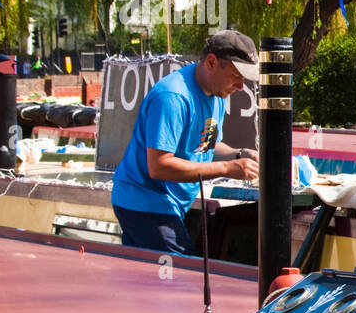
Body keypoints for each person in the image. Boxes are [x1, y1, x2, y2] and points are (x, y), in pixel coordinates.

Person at [111, 31, 261, 255]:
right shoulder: (173, 96)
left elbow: (206, 146)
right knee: (183, 277)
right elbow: (159, 165)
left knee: (150, 280)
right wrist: (227, 169)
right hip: (144, 202)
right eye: (237, 75)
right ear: (211, 62)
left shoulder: (216, 94)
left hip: (171, 203)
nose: (241, 86)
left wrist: (239, 155)